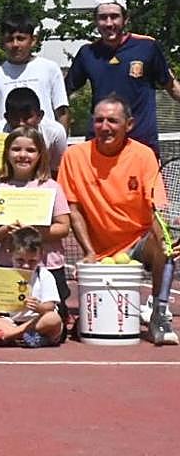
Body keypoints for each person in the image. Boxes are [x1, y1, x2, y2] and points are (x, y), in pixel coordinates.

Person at [57, 95, 179, 344]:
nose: (105, 126)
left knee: (166, 248)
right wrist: (89, 252)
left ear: (129, 125)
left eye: (112, 120)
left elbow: (156, 209)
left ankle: (159, 313)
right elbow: (73, 208)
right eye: (99, 120)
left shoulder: (144, 156)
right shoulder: (74, 156)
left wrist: (163, 241)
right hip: (99, 254)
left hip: (138, 243)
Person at [66, 0, 180, 156]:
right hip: (101, 146)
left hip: (141, 145)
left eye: (114, 16)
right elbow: (63, 92)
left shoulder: (147, 47)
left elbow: (172, 86)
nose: (109, 23)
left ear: (125, 19)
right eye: (103, 17)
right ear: (95, 21)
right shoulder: (87, 53)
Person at [0, 126, 71, 321]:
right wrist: (7, 230)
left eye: (31, 150)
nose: (23, 155)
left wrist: (36, 231)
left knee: (52, 317)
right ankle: (14, 333)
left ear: (40, 155)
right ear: (7, 153)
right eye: (16, 149)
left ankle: (26, 333)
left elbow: (63, 227)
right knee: (7, 316)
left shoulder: (52, 187)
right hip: (9, 266)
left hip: (47, 266)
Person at [0, 227, 64, 347]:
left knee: (53, 318)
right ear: (10, 254)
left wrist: (38, 307)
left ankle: (7, 336)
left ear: (40, 256)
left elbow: (50, 306)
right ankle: (24, 337)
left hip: (38, 323)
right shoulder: (6, 276)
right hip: (12, 323)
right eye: (20, 260)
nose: (25, 265)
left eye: (32, 261)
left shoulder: (44, 275)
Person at [0, 12, 69, 132]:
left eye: (21, 39)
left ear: (33, 40)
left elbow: (62, 111)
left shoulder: (49, 68)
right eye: (9, 39)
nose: (15, 44)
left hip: (44, 145)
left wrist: (61, 143)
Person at [0, 88, 68, 176]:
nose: (21, 123)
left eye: (27, 118)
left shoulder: (55, 132)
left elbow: (57, 170)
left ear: (40, 116)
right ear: (6, 118)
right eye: (15, 118)